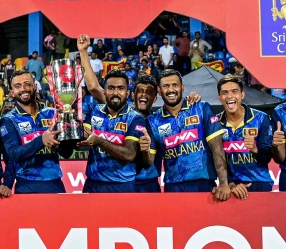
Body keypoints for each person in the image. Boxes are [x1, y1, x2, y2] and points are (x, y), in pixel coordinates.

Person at [145, 69, 233, 198]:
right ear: (159, 90)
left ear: (182, 87)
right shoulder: (152, 121)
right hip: (173, 187)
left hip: (204, 184)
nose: (171, 90)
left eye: (175, 85)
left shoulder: (201, 108)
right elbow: (149, 161)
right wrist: (143, 149)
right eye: (165, 86)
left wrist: (224, 183)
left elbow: (217, 149)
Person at [77, 35, 148, 192]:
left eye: (120, 88)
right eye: (111, 88)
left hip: (122, 186)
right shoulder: (95, 111)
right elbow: (84, 138)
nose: (115, 93)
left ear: (128, 92)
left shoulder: (135, 118)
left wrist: (99, 141)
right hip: (93, 184)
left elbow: (130, 154)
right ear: (106, 90)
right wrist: (75, 133)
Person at [0, 69, 62, 193]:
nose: (23, 88)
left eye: (27, 84)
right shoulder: (9, 120)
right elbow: (14, 154)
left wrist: (72, 134)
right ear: (12, 92)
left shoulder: (52, 113)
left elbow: (66, 153)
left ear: (35, 86)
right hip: (27, 184)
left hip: (55, 181)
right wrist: (41, 140)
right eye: (17, 86)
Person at [217, 74, 273, 192]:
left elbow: (267, 157)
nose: (230, 96)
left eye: (234, 91)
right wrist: (230, 183)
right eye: (225, 92)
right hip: (232, 186)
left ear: (242, 95)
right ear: (219, 97)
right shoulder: (215, 123)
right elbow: (215, 159)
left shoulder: (261, 119)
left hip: (259, 182)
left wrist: (255, 149)